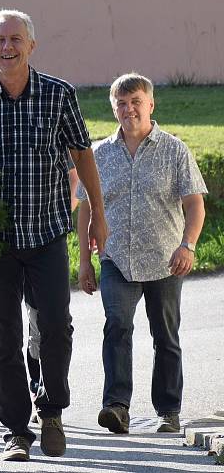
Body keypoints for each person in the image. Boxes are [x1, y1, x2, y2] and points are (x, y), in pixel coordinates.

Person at [0, 9, 108, 461]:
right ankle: (16, 430)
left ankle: (53, 411)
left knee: (55, 328)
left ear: (31, 45)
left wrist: (97, 213)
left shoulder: (59, 95)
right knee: (3, 333)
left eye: (16, 39)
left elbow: (82, 155)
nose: (8, 46)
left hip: (45, 234)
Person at [77, 73, 207, 435]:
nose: (129, 109)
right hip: (116, 259)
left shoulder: (174, 149)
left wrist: (188, 245)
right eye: (121, 103)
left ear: (150, 105)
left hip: (166, 260)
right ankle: (116, 407)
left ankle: (168, 411)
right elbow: (85, 207)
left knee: (165, 335)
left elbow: (194, 205)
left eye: (136, 101)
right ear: (113, 108)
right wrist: (85, 261)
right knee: (116, 328)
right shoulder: (99, 154)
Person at [0, 161, 79, 419]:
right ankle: (1, 390)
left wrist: (59, 215)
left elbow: (74, 176)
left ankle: (41, 387)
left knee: (44, 324)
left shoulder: (50, 120)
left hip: (43, 240)